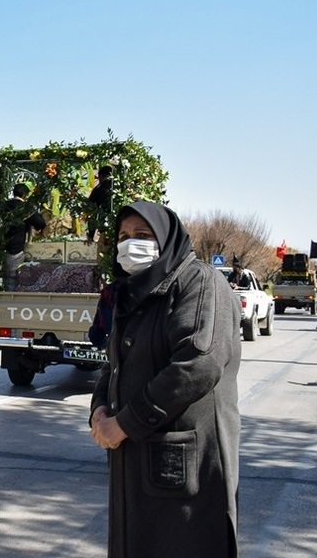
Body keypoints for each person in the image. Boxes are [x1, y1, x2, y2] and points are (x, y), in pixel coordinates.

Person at [89, 201, 240, 558]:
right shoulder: (133, 291)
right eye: (123, 236)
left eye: (142, 235)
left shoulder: (200, 282)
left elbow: (198, 363)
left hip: (185, 469)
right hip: (134, 463)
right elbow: (114, 364)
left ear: (167, 238)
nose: (130, 244)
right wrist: (99, 409)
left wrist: (125, 423)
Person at [4, 183, 46, 290]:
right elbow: (40, 223)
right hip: (16, 249)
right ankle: (12, 302)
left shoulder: (2, 206)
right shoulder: (25, 208)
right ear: (25, 196)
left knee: (3, 277)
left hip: (0, 249)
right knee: (13, 278)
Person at [85, 165, 113, 243]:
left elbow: (92, 212)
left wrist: (91, 235)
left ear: (101, 176)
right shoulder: (121, 187)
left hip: (105, 227)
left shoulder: (99, 189)